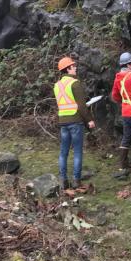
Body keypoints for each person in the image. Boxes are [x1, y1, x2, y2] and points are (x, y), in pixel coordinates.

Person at [54, 56, 95, 190]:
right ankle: (76, 181)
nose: (75, 67)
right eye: (73, 66)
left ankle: (63, 180)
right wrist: (89, 120)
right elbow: (82, 106)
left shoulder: (57, 85)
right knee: (77, 151)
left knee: (63, 152)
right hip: (75, 122)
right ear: (68, 69)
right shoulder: (74, 83)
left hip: (63, 122)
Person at [111, 51, 131, 174]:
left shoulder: (118, 78)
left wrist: (124, 102)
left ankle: (123, 165)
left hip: (125, 111)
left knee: (126, 137)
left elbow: (115, 96)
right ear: (129, 65)